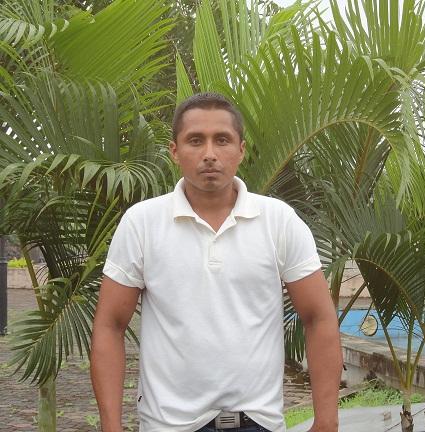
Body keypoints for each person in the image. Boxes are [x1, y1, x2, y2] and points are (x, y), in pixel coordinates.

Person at [90, 93, 343, 432]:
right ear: (175, 151)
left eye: (222, 140)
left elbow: (319, 317)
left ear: (241, 149)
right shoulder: (142, 223)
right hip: (169, 425)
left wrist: (326, 421)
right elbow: (110, 325)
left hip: (259, 423)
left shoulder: (278, 221)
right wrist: (111, 426)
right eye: (196, 140)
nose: (209, 153)